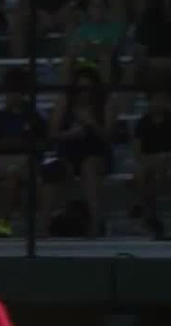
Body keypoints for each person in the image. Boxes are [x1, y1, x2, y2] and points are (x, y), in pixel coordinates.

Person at [43, 67, 117, 238]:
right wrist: (69, 134)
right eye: (80, 88)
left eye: (88, 88)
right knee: (54, 170)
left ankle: (96, 223)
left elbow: (108, 136)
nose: (84, 93)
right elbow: (52, 134)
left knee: (89, 166)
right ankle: (43, 225)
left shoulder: (107, 103)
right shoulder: (65, 101)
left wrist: (91, 123)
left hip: (97, 152)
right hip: (69, 152)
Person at [0, 69, 47, 237]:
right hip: (1, 158)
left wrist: (19, 144)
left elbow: (42, 143)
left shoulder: (34, 116)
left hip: (26, 160)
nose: (11, 96)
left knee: (12, 174)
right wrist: (4, 144)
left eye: (15, 91)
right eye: (9, 92)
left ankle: (3, 222)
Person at [133, 88, 171, 239]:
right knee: (142, 174)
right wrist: (154, 160)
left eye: (161, 99)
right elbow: (137, 152)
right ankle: (150, 217)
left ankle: (154, 218)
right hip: (150, 162)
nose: (158, 103)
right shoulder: (143, 123)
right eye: (155, 99)